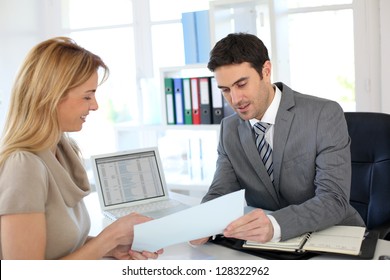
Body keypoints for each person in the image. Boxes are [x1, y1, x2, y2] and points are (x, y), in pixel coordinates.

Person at [191, 33, 365, 245]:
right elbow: (220, 191)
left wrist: (275, 225)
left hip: (332, 237)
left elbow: (333, 199)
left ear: (266, 70)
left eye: (242, 84)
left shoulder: (323, 114)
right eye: (225, 90)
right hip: (271, 246)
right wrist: (198, 224)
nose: (235, 99)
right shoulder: (229, 128)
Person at [0, 37, 163, 260]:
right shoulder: (23, 166)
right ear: (50, 97)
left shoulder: (60, 150)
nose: (95, 106)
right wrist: (111, 237)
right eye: (87, 96)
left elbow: (57, 245)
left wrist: (107, 247)